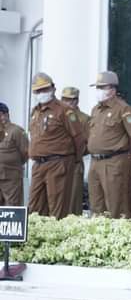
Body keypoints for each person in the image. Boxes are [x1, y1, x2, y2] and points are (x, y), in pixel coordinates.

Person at [87, 71, 131, 219]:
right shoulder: (96, 109)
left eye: (102, 87)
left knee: (117, 206)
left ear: (112, 89)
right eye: (97, 88)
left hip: (114, 162)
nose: (98, 91)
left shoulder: (123, 109)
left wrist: (127, 159)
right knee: (96, 206)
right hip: (95, 162)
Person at [28, 73, 86, 218]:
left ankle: (57, 239)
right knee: (35, 207)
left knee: (57, 207)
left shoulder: (64, 110)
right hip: (38, 164)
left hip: (58, 163)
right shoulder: (35, 112)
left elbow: (79, 138)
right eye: (38, 91)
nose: (42, 93)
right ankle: (38, 239)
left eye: (45, 89)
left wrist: (73, 161)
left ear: (53, 88)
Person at [61, 87, 90, 215]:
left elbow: (88, 143)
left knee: (73, 199)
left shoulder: (84, 119)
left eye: (71, 100)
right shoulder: (57, 115)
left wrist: (74, 152)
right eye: (65, 99)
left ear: (77, 101)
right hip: (56, 162)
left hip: (74, 162)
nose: (68, 103)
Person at [0, 102, 29, 206]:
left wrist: (12, 164)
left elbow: (25, 153)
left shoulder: (16, 131)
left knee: (11, 206)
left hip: (11, 177)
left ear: (5, 115)